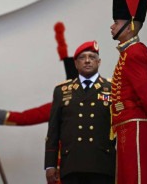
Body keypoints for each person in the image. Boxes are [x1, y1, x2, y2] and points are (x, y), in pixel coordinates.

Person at [110, 0, 147, 184]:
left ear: (129, 26)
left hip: (137, 123)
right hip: (126, 124)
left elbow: (145, 96)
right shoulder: (127, 52)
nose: (112, 26)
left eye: (117, 23)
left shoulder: (136, 51)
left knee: (136, 178)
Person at [45, 41, 115, 184]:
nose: (88, 61)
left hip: (102, 163)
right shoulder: (62, 91)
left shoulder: (113, 88)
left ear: (99, 62)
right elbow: (53, 131)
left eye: (92, 57)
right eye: (82, 57)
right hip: (72, 164)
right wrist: (50, 165)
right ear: (76, 63)